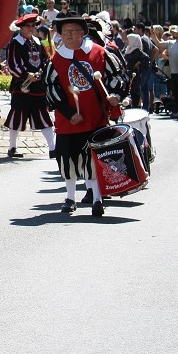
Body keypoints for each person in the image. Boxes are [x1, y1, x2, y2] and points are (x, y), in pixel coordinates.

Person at [44, 14, 128, 216]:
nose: (69, 36)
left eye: (73, 31)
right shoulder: (56, 60)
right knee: (67, 159)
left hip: (96, 117)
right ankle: (70, 197)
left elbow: (117, 76)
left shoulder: (100, 53)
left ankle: (97, 198)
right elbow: (51, 89)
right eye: (65, 32)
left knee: (93, 159)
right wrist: (68, 112)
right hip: (68, 122)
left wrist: (115, 95)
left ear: (83, 33)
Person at [3, 13, 54, 158]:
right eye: (28, 26)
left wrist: (42, 73)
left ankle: (53, 148)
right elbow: (12, 64)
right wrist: (26, 75)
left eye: (33, 25)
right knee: (17, 117)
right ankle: (12, 147)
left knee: (44, 116)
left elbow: (46, 60)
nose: (31, 28)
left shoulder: (38, 42)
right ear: (21, 27)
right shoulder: (15, 43)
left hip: (38, 87)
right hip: (22, 87)